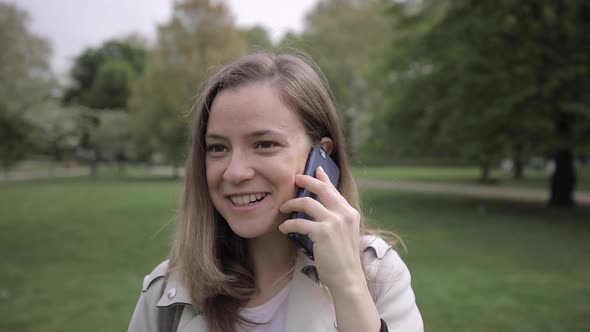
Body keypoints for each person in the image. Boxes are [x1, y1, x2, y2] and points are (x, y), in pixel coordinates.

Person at [128, 52, 423, 332]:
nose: (234, 172)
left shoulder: (376, 273)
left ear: (320, 157)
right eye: (218, 148)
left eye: (264, 144)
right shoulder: (166, 294)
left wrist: (348, 285)